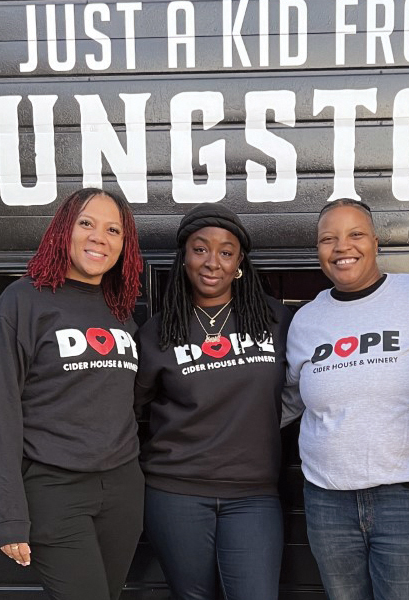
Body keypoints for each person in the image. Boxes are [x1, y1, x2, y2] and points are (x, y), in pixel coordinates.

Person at [283, 198, 409, 600]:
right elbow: (290, 401)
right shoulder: (305, 321)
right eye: (328, 239)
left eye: (355, 235)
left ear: (376, 241)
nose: (342, 247)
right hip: (327, 502)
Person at [0, 188, 144, 600]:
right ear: (62, 230)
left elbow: (130, 401)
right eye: (86, 223)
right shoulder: (22, 302)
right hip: (55, 489)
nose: (98, 237)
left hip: (122, 489)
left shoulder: (120, 310)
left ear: (125, 245)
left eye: (113, 230)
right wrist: (9, 515)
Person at [134, 203, 292, 600]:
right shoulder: (158, 333)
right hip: (176, 493)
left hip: (254, 493)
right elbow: (134, 411)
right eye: (200, 249)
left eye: (226, 252)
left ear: (239, 262)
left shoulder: (276, 321)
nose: (212, 262)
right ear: (184, 257)